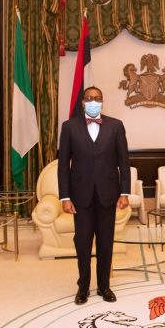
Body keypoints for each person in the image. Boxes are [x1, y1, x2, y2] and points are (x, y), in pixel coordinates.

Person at [58, 86, 130, 304]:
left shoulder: (116, 126)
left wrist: (125, 192)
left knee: (106, 243)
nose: (92, 101)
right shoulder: (69, 127)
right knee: (82, 243)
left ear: (102, 101)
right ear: (82, 102)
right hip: (81, 197)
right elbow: (63, 166)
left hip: (108, 195)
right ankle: (83, 287)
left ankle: (104, 286)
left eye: (97, 98)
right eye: (89, 98)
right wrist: (65, 197)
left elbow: (123, 162)